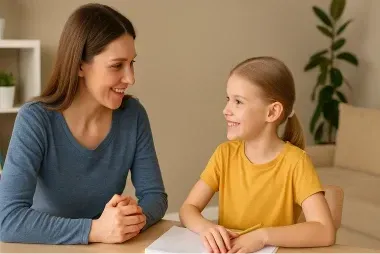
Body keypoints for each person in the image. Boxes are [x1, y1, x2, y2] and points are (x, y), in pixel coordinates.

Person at [0, 3, 167, 245]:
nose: (130, 78)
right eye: (116, 65)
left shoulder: (133, 115)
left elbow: (154, 196)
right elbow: (7, 219)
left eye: (132, 63)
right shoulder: (35, 119)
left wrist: (132, 218)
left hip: (106, 247)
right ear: (79, 65)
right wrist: (95, 230)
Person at [179, 57, 335, 254]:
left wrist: (262, 237)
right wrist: (205, 227)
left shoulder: (296, 162)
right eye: (228, 99)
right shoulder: (224, 155)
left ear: (272, 112)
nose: (226, 110)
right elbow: (188, 209)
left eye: (238, 102)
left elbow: (324, 230)